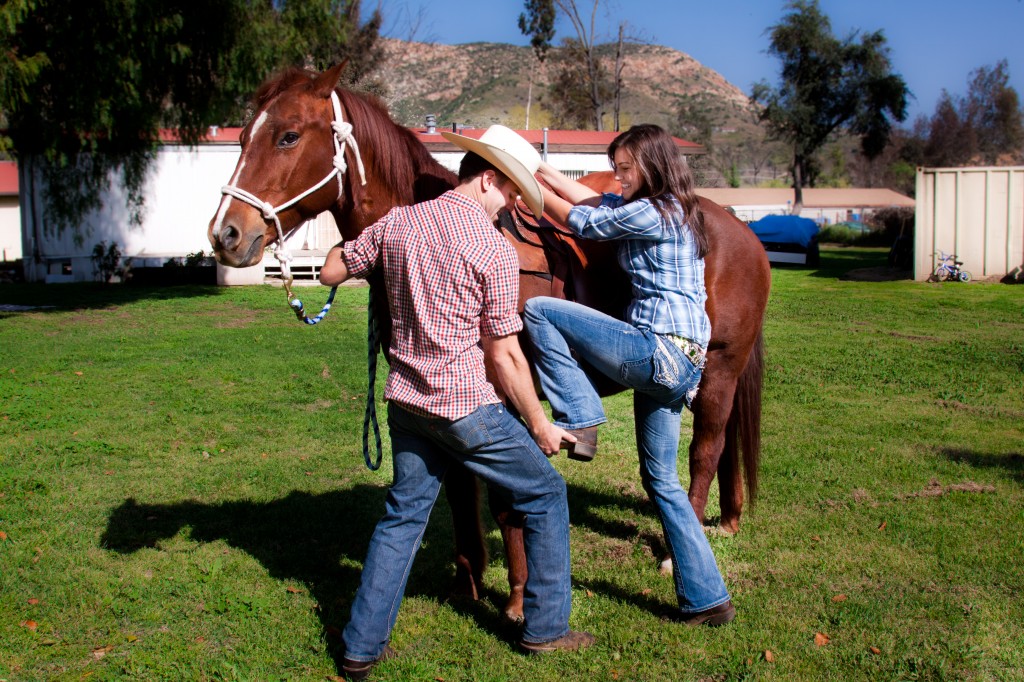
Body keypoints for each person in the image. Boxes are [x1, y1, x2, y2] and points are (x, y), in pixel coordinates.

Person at [319, 125, 594, 679]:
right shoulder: (491, 248)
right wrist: (541, 425)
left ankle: (359, 647)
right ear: (488, 180)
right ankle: (546, 629)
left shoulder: (396, 223)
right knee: (545, 492)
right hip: (466, 407)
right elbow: (506, 356)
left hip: (407, 404)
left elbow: (331, 269)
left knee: (402, 518)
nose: (513, 206)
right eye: (512, 194)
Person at [524, 124, 735, 627]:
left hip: (656, 351)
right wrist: (547, 172)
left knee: (539, 311)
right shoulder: (675, 208)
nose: (617, 178)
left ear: (651, 165)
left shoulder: (655, 210)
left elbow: (586, 222)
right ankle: (709, 600)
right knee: (660, 479)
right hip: (681, 366)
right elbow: (598, 203)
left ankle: (580, 413)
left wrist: (530, 189)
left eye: (624, 169)